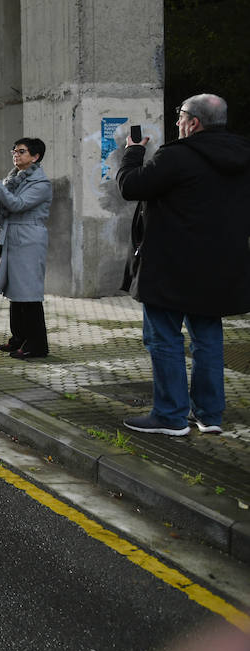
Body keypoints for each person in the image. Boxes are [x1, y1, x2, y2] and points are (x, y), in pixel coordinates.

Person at [117, 93, 250, 436]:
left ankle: (170, 415)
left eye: (180, 117)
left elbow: (131, 187)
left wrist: (133, 152)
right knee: (207, 338)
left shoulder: (177, 156)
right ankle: (209, 414)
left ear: (193, 123)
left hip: (170, 268)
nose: (176, 123)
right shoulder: (242, 156)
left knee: (164, 338)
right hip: (221, 266)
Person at [0, 137, 53, 360]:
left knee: (28, 293)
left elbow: (17, 205)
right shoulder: (14, 178)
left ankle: (37, 345)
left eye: (21, 151)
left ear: (35, 157)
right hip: (13, 236)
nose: (16, 155)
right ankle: (19, 338)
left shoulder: (41, 184)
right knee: (15, 292)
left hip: (29, 238)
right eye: (14, 151)